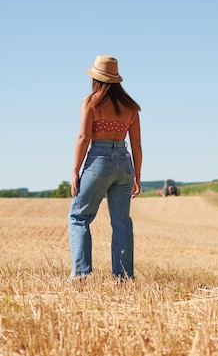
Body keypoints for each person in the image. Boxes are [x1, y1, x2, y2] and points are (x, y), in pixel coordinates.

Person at [67, 55, 142, 280]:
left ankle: (81, 275)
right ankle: (124, 277)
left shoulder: (91, 102)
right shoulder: (131, 107)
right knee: (122, 222)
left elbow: (83, 137)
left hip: (99, 161)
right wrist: (137, 175)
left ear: (96, 79)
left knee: (79, 216)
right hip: (124, 160)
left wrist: (75, 170)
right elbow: (137, 144)